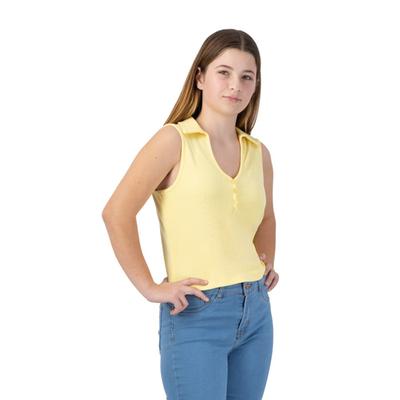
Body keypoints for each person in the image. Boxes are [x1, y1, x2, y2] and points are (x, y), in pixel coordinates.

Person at [102, 28, 279, 400]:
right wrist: (149, 287)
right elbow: (117, 212)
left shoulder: (258, 152)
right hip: (197, 312)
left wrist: (265, 263)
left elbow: (266, 217)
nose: (235, 85)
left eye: (247, 77)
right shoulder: (174, 140)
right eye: (224, 72)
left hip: (256, 313)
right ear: (200, 77)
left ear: (256, 86)